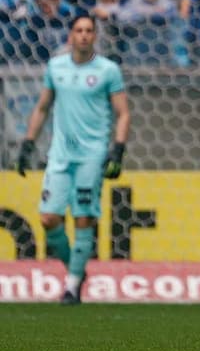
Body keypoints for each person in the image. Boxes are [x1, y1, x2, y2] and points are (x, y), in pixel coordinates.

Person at [15, 15, 130, 305]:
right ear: (70, 35)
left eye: (89, 31)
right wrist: (28, 143)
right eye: (78, 30)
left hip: (91, 155)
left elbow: (123, 112)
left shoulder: (108, 70)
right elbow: (42, 107)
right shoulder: (56, 67)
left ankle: (72, 286)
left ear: (95, 36)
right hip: (60, 154)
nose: (83, 35)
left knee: (83, 218)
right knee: (48, 217)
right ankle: (76, 269)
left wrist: (117, 149)